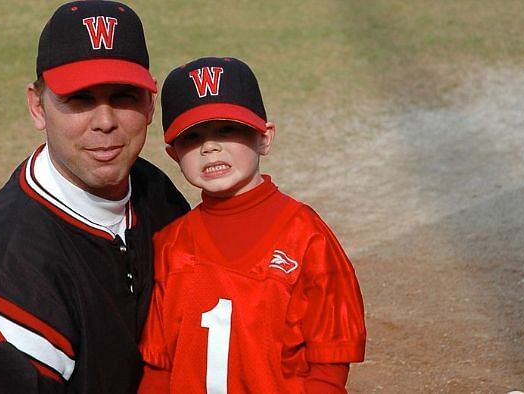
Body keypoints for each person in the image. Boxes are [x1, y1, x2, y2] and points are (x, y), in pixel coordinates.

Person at [0, 2, 190, 392]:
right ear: (37, 107)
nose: (105, 121)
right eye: (79, 100)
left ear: (149, 104)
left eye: (124, 96)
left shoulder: (152, 190)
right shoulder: (6, 279)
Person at [138, 57, 367, 393]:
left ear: (264, 138)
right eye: (193, 137)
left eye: (227, 129)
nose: (210, 146)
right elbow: (158, 367)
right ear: (174, 155)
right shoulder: (171, 244)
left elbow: (328, 363)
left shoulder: (306, 236)